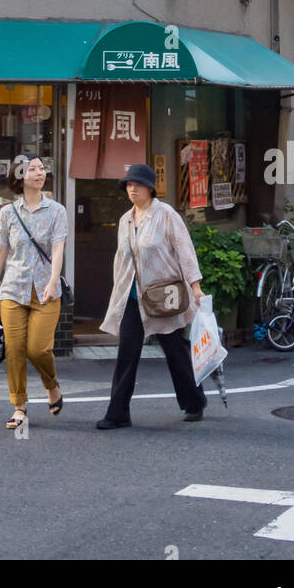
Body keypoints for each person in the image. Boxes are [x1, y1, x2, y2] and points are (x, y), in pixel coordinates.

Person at [97, 163, 207, 429]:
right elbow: (121, 261)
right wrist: (118, 294)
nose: (132, 188)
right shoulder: (125, 220)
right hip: (134, 297)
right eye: (128, 185)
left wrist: (195, 287)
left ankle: (194, 401)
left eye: (137, 184)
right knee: (127, 352)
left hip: (164, 295)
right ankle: (118, 413)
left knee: (175, 351)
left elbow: (185, 250)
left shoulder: (166, 215)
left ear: (150, 188)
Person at [0, 155, 68, 429]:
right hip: (13, 289)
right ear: (20, 177)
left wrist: (53, 281)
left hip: (45, 290)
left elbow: (58, 248)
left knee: (38, 348)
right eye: (31, 169)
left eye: (41, 168)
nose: (38, 173)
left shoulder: (57, 211)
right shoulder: (8, 213)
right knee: (16, 348)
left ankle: (52, 385)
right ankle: (19, 406)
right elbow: (0, 252)